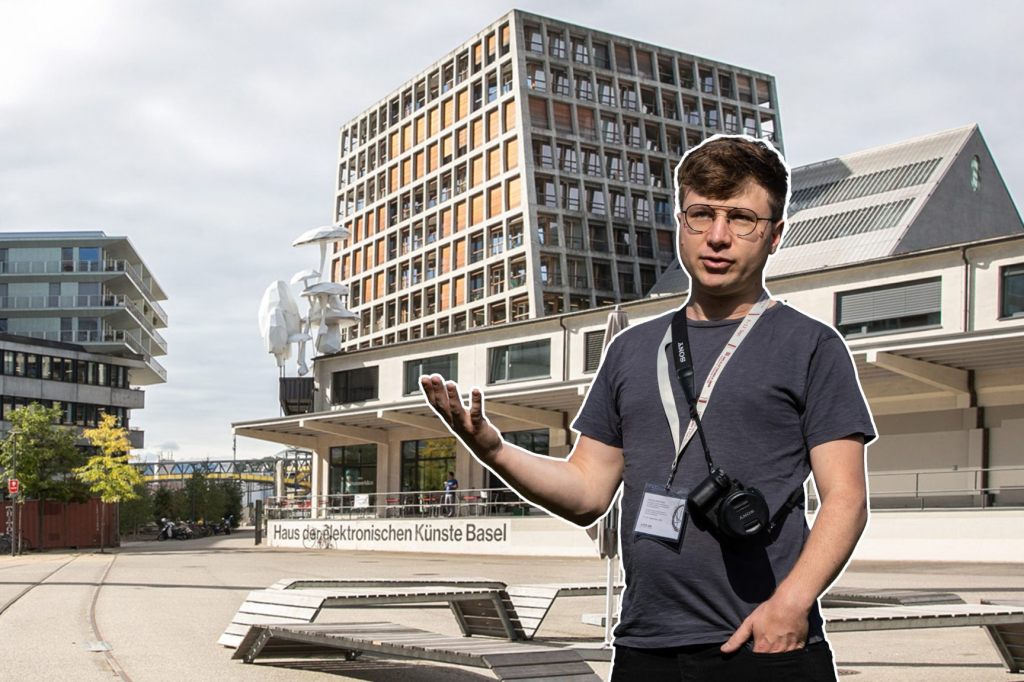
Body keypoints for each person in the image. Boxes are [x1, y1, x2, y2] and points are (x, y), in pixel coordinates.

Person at [421, 134, 874, 681]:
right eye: (701, 215)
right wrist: (493, 449)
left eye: (742, 219)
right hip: (645, 647)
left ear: (775, 235)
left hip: (764, 642)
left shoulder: (810, 346)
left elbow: (846, 498)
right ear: (679, 223)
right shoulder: (631, 349)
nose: (718, 236)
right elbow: (587, 493)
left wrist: (791, 605)